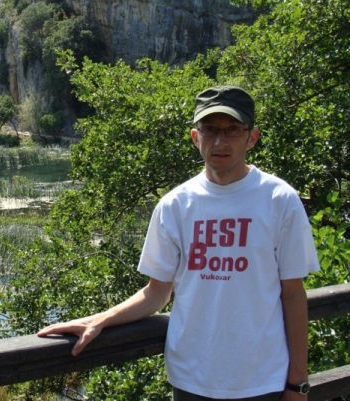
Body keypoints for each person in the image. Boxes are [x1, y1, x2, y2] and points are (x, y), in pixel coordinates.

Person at [38, 86, 320, 401]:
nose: (220, 141)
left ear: (251, 137)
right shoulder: (175, 205)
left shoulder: (279, 200)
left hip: (260, 380)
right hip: (190, 379)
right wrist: (100, 320)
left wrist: (298, 383)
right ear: (195, 137)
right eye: (210, 130)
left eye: (232, 130)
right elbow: (156, 293)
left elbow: (293, 294)